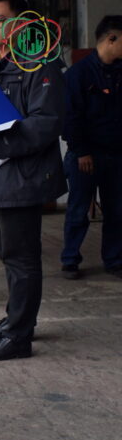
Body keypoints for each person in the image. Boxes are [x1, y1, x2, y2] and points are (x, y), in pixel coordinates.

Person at [0, 0, 67, 361]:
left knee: (22, 259)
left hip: (22, 177)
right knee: (9, 255)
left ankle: (19, 337)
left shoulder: (38, 64)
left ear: (20, 24)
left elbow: (45, 124)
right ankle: (14, 321)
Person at [60, 15, 122, 280]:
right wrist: (81, 151)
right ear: (111, 39)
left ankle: (114, 260)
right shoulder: (78, 74)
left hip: (115, 155)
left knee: (117, 211)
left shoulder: (120, 72)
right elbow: (70, 117)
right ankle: (70, 260)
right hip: (85, 156)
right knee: (78, 209)